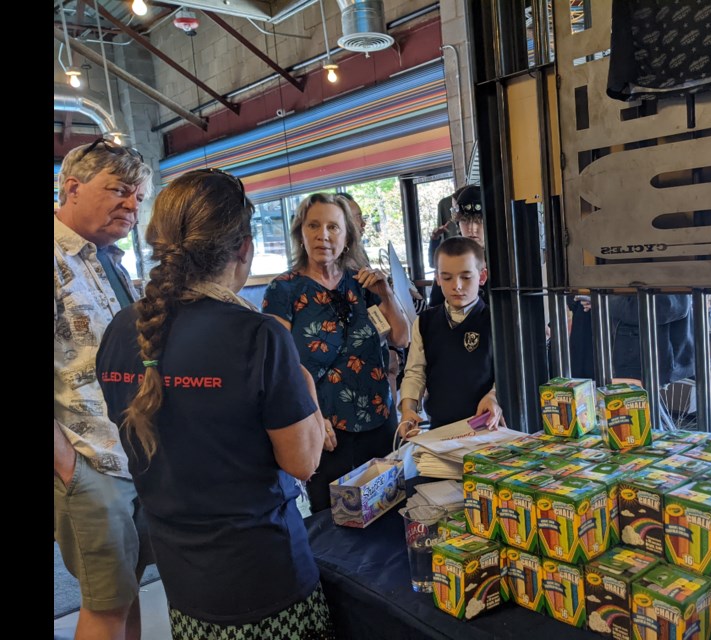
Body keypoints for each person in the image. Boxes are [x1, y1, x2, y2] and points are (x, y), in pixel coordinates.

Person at [95, 169, 334, 639]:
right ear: (243, 247)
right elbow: (303, 462)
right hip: (265, 577)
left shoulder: (121, 330)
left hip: (184, 579)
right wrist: (302, 379)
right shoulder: (258, 335)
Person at [54, 136, 154, 640]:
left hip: (133, 453)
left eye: (138, 196)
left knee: (126, 594)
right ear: (72, 188)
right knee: (105, 606)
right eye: (119, 190)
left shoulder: (109, 260)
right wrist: (68, 465)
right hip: (89, 460)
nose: (132, 205)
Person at [263, 193, 410, 511]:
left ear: (347, 236)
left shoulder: (363, 283)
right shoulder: (284, 290)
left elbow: (400, 335)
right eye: (314, 225)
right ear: (301, 232)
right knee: (335, 528)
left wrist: (385, 292)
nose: (323, 235)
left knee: (386, 514)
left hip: (379, 421)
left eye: (333, 226)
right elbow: (278, 369)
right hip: (327, 432)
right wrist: (313, 419)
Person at [399, 236, 502, 437]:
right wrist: (407, 409)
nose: (457, 286)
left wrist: (494, 395)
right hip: (440, 427)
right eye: (447, 278)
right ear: (437, 278)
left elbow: (509, 372)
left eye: (466, 277)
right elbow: (415, 372)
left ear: (482, 277)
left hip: (487, 426)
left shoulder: (496, 321)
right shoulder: (425, 322)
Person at [427, 184, 487, 308]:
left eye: (478, 221)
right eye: (465, 221)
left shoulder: (507, 258)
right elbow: (435, 307)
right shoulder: (450, 257)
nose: (472, 229)